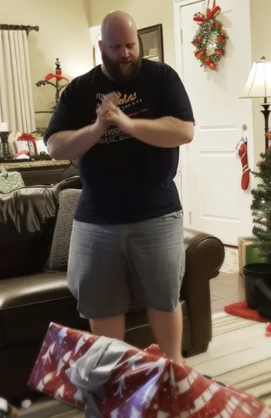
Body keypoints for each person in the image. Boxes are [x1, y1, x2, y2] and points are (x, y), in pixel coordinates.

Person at [43, 10, 195, 364]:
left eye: (130, 45)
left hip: (157, 214)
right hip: (96, 219)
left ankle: (173, 371)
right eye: (116, 47)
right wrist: (98, 127)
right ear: (101, 47)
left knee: (164, 299)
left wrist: (126, 123)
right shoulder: (80, 90)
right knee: (102, 304)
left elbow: (184, 131)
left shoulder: (161, 78)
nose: (125, 54)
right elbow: (55, 147)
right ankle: (113, 378)